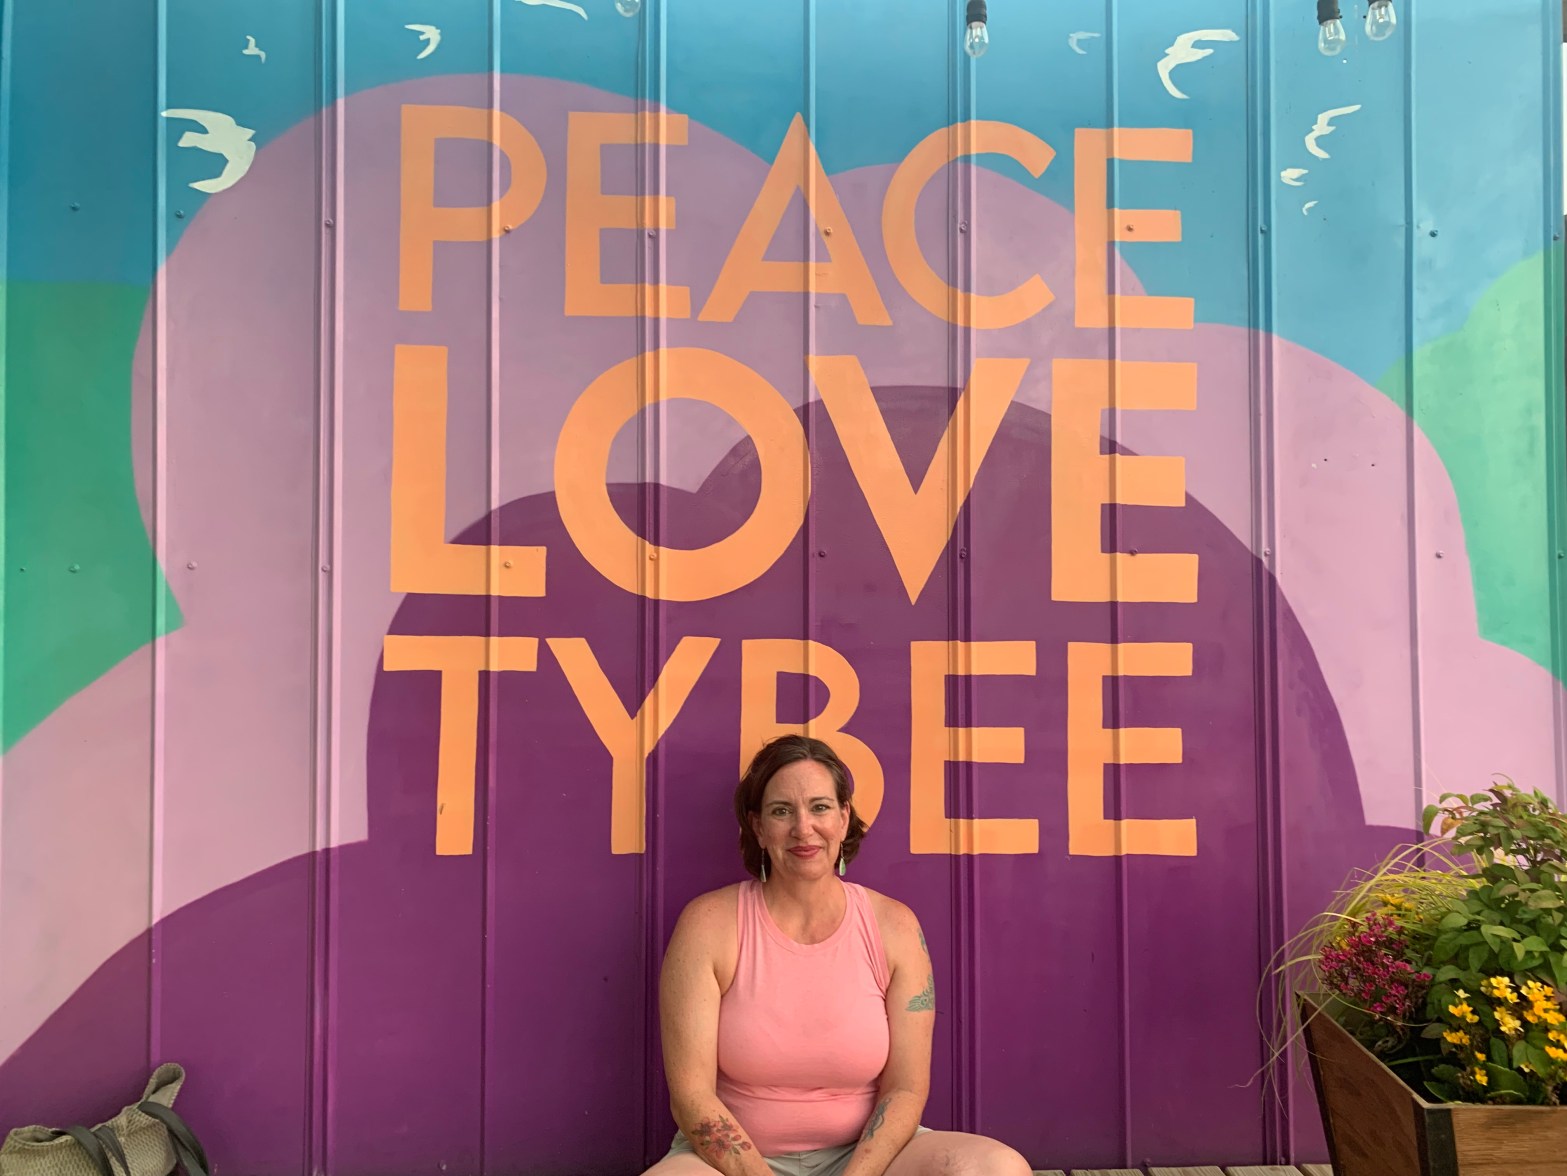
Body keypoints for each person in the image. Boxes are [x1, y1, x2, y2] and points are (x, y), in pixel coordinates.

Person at [643, 735, 1033, 1176]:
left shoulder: (895, 927)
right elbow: (692, 1095)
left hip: (868, 1161)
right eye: (781, 811)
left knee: (998, 1168)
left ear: (844, 818)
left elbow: (905, 1089)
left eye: (820, 807)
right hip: (733, 1165)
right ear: (757, 827)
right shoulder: (708, 924)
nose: (803, 828)